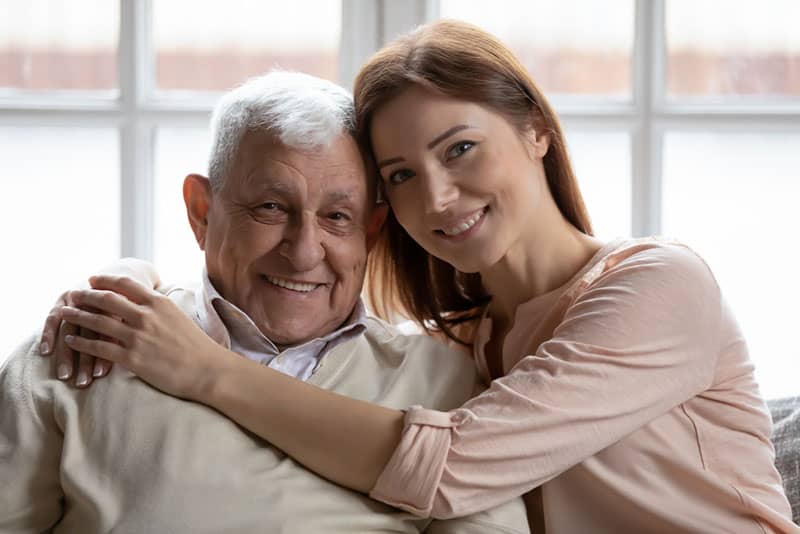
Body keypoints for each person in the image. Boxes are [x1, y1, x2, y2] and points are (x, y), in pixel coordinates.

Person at [39, 21, 798, 532]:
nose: (434, 197)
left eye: (460, 149)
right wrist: (122, 280)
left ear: (535, 128)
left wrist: (205, 373)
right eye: (401, 174)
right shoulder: (463, 342)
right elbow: (280, 279)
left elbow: (450, 467)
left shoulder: (659, 285)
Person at [0, 70, 529, 533]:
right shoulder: (78, 349)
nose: (303, 253)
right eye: (271, 207)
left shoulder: (446, 385)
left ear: (371, 230)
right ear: (201, 211)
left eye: (336, 217)